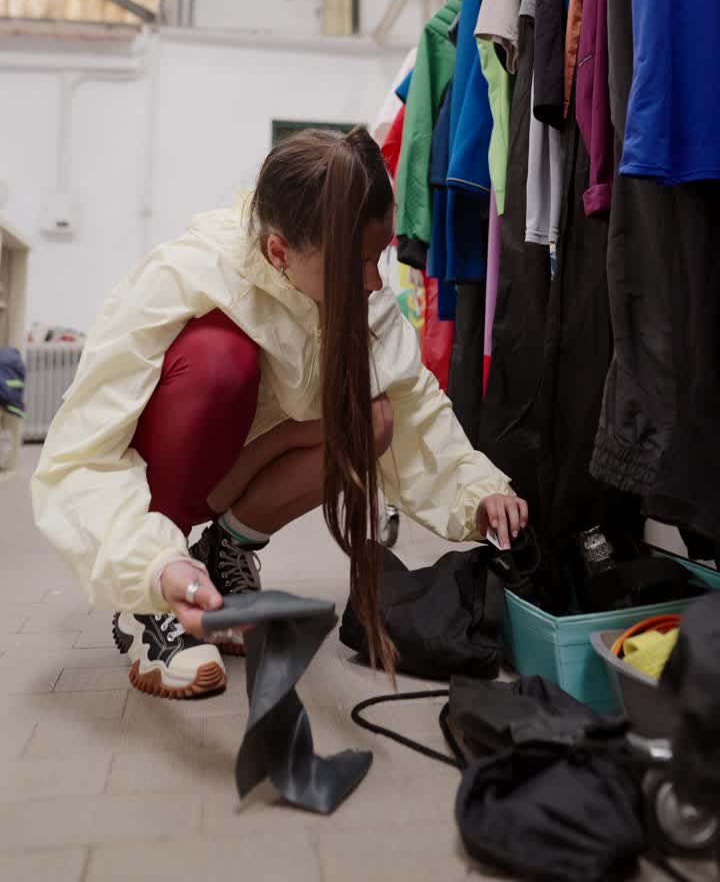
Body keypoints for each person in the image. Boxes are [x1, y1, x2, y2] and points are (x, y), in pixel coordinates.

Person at [32, 128, 528, 699]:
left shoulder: (360, 297)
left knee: (376, 419)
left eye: (380, 257)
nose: (373, 282)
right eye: (356, 264)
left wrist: (479, 489)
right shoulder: (186, 273)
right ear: (278, 253)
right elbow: (85, 451)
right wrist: (149, 566)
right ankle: (147, 606)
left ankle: (224, 551)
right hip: (156, 484)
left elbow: (417, 406)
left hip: (239, 468)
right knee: (221, 361)